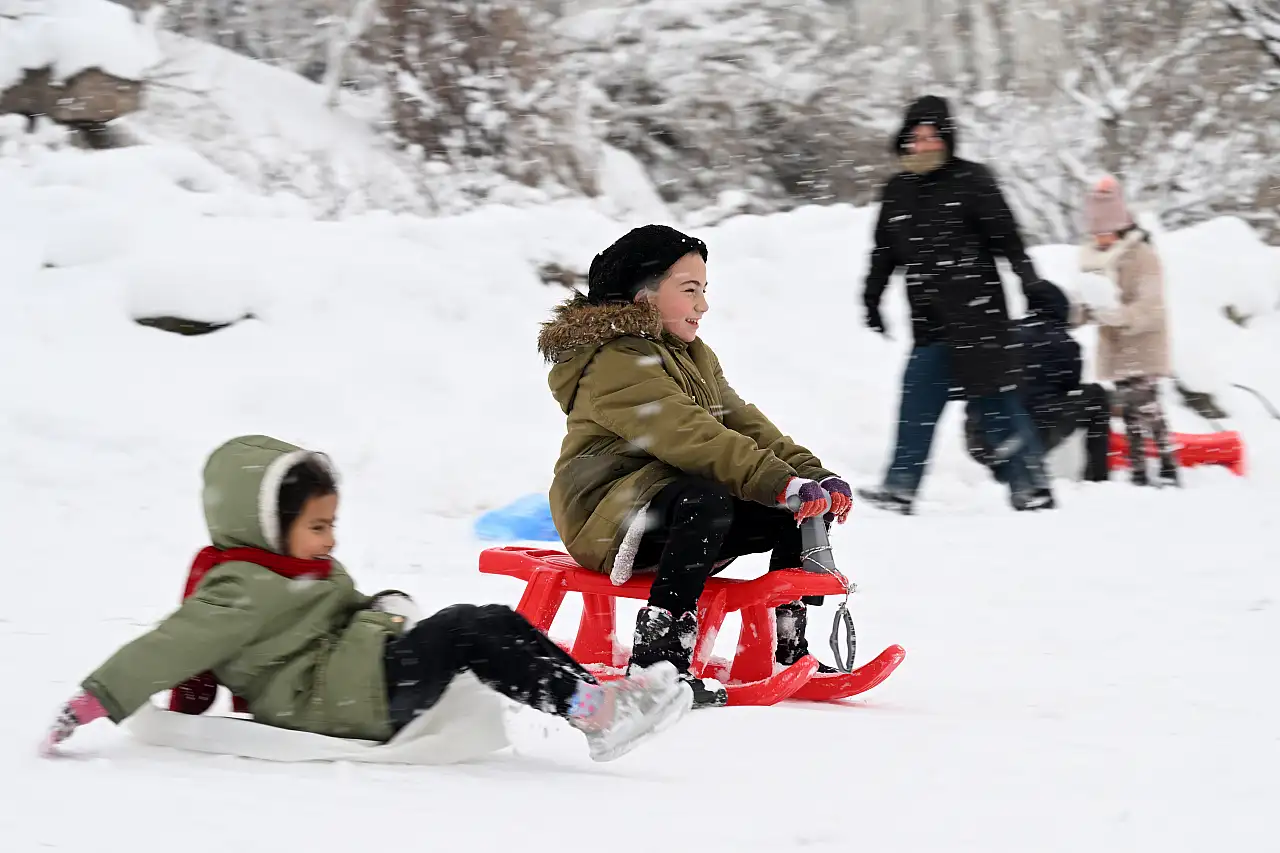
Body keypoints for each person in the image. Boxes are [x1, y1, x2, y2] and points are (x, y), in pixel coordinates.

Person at [40, 435, 692, 763]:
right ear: (267, 524)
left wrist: (382, 607)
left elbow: (341, 612)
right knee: (468, 628)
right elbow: (170, 646)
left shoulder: (297, 566)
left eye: (331, 523)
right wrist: (96, 696)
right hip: (340, 701)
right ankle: (596, 712)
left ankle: (598, 702)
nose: (330, 539)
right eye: (317, 526)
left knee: (487, 621)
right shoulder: (238, 588)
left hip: (357, 673)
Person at [538, 224, 854, 709]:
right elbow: (691, 435)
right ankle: (658, 662)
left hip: (667, 502)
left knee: (784, 511)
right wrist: (776, 480)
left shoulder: (692, 355)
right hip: (606, 515)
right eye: (689, 290)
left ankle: (787, 648)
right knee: (706, 498)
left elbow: (743, 423)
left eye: (704, 290)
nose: (703, 304)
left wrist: (808, 475)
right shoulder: (614, 363)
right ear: (643, 297)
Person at [857, 94, 1055, 514]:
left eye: (933, 137)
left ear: (947, 139)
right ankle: (900, 488)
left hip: (979, 320)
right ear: (905, 139)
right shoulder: (898, 191)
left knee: (996, 408)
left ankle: (1032, 486)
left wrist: (1031, 282)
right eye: (917, 136)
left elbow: (1008, 240)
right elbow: (884, 252)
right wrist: (871, 298)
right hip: (930, 324)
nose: (925, 144)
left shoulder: (972, 181)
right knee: (916, 405)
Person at [1077, 175, 1178, 487]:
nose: (1102, 238)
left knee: (1146, 404)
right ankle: (1139, 470)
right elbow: (1086, 300)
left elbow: (1150, 306)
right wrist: (1083, 310)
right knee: (1132, 411)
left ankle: (1167, 463)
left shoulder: (1142, 256)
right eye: (1097, 232)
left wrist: (1117, 315)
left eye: (1106, 232)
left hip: (1143, 342)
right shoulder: (1093, 258)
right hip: (1117, 344)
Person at [964, 279, 1112, 483]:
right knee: (1096, 396)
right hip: (1027, 434)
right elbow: (1070, 389)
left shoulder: (1003, 332)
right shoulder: (1064, 343)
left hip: (979, 438)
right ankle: (1097, 478)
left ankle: (1002, 452)